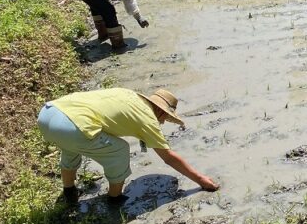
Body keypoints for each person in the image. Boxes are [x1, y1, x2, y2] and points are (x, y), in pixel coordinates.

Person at [37, 87, 220, 206]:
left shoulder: (128, 95)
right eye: (165, 118)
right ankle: (114, 199)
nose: (163, 122)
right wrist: (201, 180)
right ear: (160, 110)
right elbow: (168, 157)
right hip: (72, 126)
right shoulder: (147, 117)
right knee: (119, 149)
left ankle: (69, 191)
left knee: (72, 145)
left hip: (49, 114)